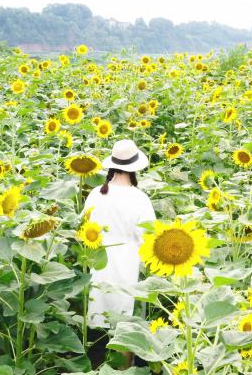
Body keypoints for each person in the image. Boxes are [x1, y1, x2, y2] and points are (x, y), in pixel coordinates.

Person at [81, 139, 156, 369]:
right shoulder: (139, 198)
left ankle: (98, 368)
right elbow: (150, 237)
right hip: (128, 264)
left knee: (100, 317)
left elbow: (84, 225)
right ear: (135, 168)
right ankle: (123, 370)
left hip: (100, 262)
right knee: (125, 324)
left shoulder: (96, 193)